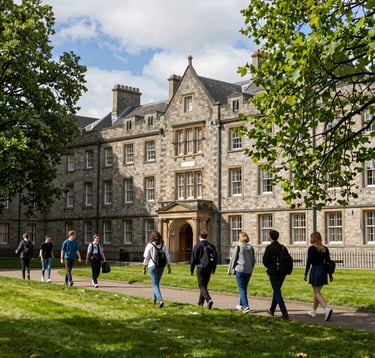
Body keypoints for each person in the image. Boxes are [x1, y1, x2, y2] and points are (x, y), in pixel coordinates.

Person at [304, 231, 333, 321]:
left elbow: (309, 262)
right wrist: (330, 275)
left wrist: (305, 273)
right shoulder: (325, 249)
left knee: (317, 292)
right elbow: (328, 263)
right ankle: (313, 310)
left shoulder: (311, 249)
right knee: (317, 291)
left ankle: (326, 308)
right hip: (323, 270)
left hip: (315, 270)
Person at [262, 229, 289, 319]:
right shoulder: (283, 247)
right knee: (276, 290)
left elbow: (265, 261)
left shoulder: (270, 248)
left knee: (277, 291)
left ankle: (284, 313)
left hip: (274, 272)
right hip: (283, 272)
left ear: (270, 237)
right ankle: (272, 310)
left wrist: (270, 265)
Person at [228, 232, 256, 313]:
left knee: (242, 288)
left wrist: (230, 270)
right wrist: (251, 268)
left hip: (240, 270)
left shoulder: (238, 247)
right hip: (248, 271)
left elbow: (233, 259)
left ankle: (246, 306)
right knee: (244, 288)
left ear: (240, 238)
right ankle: (240, 305)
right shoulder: (251, 248)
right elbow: (253, 260)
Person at [142, 231, 171, 307]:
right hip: (161, 266)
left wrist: (144, 267)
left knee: (155, 284)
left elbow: (146, 258)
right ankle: (153, 300)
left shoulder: (149, 245)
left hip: (152, 266)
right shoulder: (163, 245)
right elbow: (167, 256)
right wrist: (169, 266)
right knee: (156, 284)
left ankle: (160, 300)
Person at [190, 229, 217, 309]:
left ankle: (208, 299)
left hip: (201, 267)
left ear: (199, 236)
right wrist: (214, 268)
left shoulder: (197, 245)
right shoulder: (211, 245)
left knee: (201, 285)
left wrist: (191, 269)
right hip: (209, 267)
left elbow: (193, 259)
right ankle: (200, 303)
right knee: (204, 285)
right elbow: (215, 257)